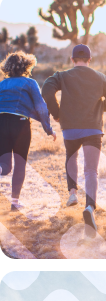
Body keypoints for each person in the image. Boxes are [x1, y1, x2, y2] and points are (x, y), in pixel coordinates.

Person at [42, 44, 106, 238]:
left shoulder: (62, 76)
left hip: (70, 128)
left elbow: (46, 90)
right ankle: (89, 208)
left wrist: (57, 112)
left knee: (71, 156)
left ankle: (72, 194)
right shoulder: (100, 77)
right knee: (91, 170)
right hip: (93, 128)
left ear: (72, 60)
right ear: (89, 59)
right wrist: (100, 106)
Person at [0, 51, 56, 211]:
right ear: (26, 66)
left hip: (1, 122)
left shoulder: (2, 84)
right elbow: (41, 107)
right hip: (20, 124)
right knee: (20, 163)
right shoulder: (30, 83)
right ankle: (15, 203)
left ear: (7, 67)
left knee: (4, 165)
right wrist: (49, 129)